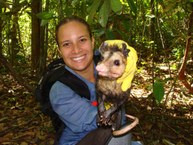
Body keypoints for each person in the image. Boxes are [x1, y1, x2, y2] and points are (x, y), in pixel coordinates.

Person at [49, 16, 139, 145]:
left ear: (92, 41)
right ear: (60, 51)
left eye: (82, 40)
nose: (76, 49)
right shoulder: (59, 90)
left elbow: (115, 54)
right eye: (66, 44)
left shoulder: (105, 65)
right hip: (81, 141)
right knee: (113, 135)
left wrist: (126, 58)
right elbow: (104, 122)